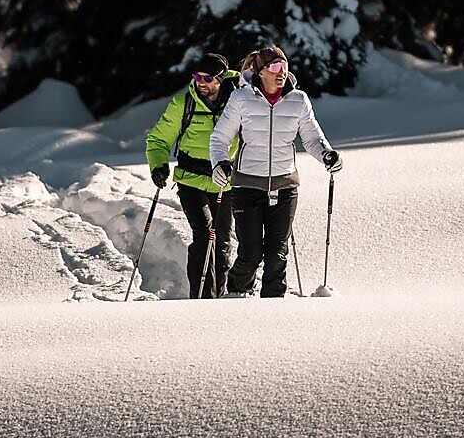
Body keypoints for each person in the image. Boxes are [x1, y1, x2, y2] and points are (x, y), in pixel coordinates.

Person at [208, 43, 341, 298]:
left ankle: (274, 306)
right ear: (260, 72)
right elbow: (219, 139)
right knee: (250, 253)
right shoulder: (241, 98)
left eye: (284, 65)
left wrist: (327, 155)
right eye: (275, 66)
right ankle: (236, 295)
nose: (281, 72)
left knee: (277, 253)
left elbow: (312, 138)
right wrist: (220, 164)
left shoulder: (298, 100)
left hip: (285, 185)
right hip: (247, 185)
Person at [145, 53, 241, 298]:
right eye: (197, 76)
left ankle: (219, 295)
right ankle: (200, 296)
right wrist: (158, 165)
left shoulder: (238, 102)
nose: (201, 82)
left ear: (221, 79)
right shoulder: (184, 103)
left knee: (221, 240)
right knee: (204, 234)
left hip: (225, 181)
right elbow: (158, 139)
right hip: (190, 179)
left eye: (207, 78)